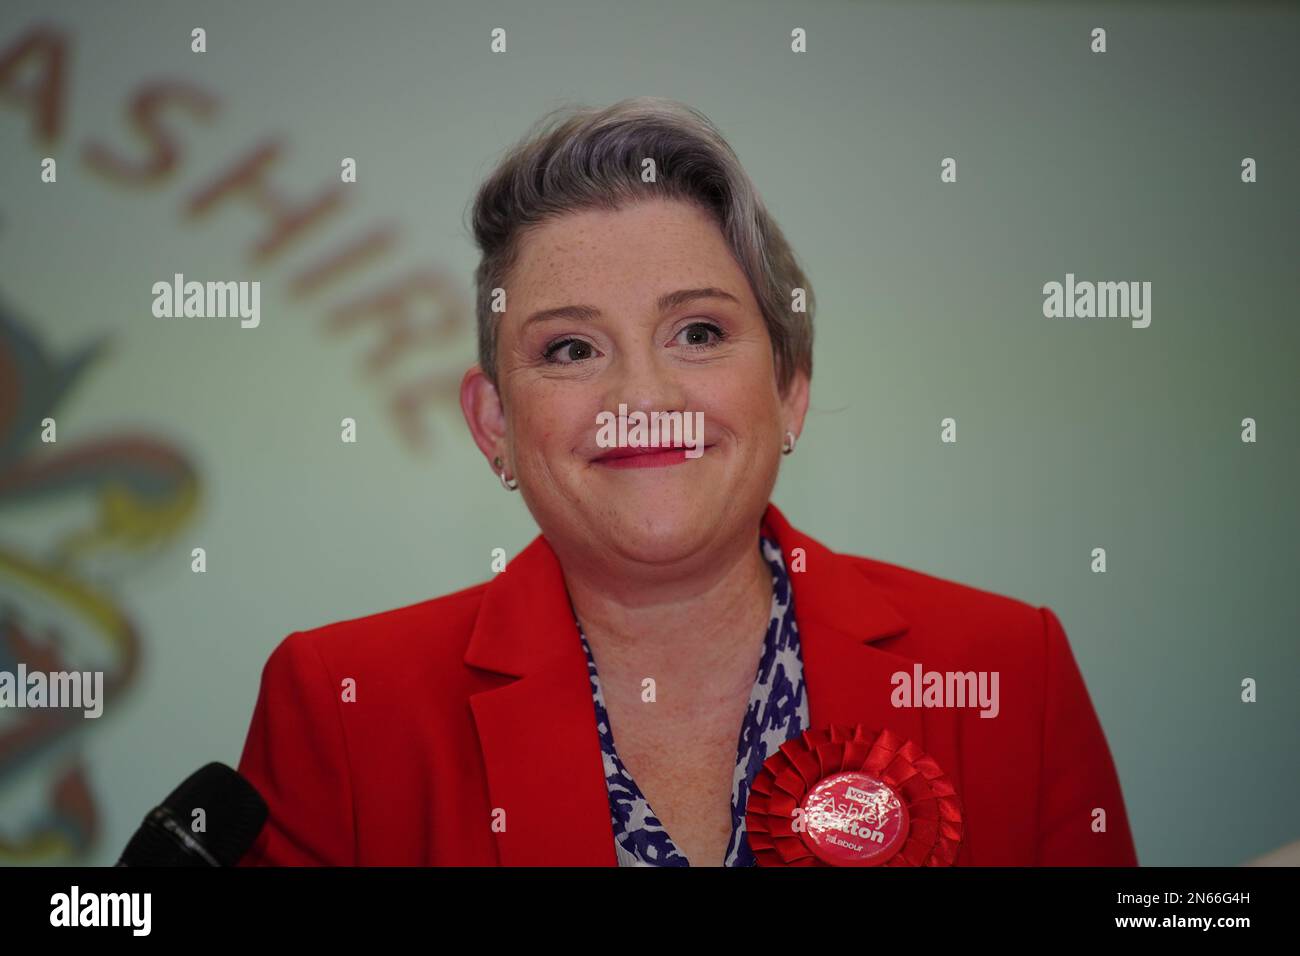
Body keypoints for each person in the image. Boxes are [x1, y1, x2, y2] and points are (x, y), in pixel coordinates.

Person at [236, 96, 1137, 867]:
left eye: (698, 334)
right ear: (495, 426)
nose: (642, 397)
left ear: (789, 387)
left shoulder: (1008, 671)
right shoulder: (345, 708)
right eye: (571, 349)